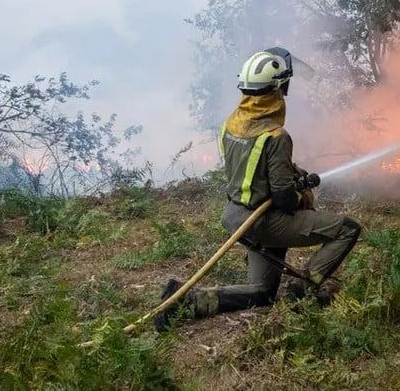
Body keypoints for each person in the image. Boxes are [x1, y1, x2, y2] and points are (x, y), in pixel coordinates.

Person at [155, 47, 362, 331]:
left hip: (236, 218)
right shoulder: (276, 136)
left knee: (262, 293)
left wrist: (291, 174)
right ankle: (300, 291)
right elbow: (284, 199)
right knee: (347, 229)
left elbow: (252, 170)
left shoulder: (232, 124)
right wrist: (300, 192)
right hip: (264, 222)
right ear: (276, 90)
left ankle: (187, 302)